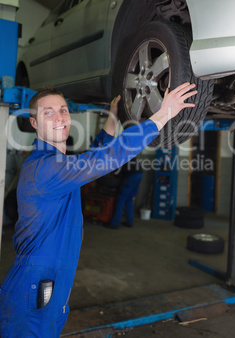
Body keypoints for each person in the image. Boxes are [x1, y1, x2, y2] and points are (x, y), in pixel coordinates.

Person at [0, 82, 197, 337]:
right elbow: (106, 158)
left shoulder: (59, 166)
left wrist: (113, 117)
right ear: (34, 123)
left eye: (63, 110)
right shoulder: (44, 170)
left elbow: (94, 155)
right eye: (48, 112)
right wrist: (163, 114)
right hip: (33, 289)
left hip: (48, 284)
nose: (60, 117)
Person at [110, 156, 143, 228]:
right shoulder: (128, 153)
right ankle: (129, 222)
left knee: (121, 199)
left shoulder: (119, 157)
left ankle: (115, 223)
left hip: (131, 176)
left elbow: (116, 172)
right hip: (139, 174)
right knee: (129, 199)